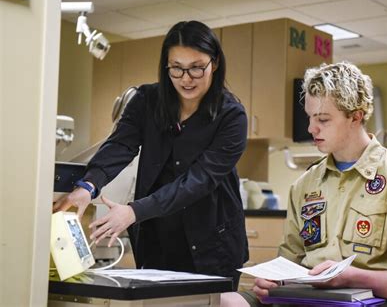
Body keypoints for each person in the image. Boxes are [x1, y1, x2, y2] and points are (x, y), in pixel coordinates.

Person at [53, 20, 249, 290]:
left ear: (214, 63)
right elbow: (120, 146)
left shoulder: (231, 116)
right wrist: (89, 185)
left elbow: (198, 181)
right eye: (176, 68)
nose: (186, 78)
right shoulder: (147, 100)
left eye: (196, 67)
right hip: (157, 240)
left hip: (212, 246)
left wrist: (133, 211)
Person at [222, 61, 387, 306]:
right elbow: (289, 263)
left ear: (356, 116)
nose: (311, 128)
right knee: (219, 301)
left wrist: (353, 278)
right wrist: (272, 283)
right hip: (305, 300)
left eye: (323, 119)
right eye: (310, 117)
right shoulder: (305, 184)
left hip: (366, 302)